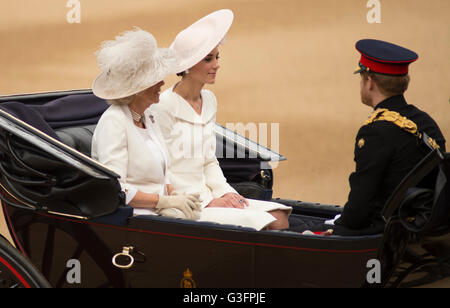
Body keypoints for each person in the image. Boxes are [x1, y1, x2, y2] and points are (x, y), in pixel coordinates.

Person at [151, 10, 292, 231]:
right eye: (208, 59)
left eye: (217, 57)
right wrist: (208, 202)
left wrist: (226, 192)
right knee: (268, 223)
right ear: (188, 65)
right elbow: (160, 170)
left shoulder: (209, 100)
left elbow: (209, 161)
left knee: (279, 216)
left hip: (209, 196)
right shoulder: (163, 105)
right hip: (182, 205)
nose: (216, 65)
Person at [290, 39, 446, 236]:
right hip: (419, 230)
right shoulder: (426, 123)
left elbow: (358, 213)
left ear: (369, 82)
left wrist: (336, 225)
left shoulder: (375, 132)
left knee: (288, 227)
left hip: (382, 235)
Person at [91, 28, 202, 219]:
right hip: (135, 217)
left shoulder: (148, 115)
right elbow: (117, 189)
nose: (161, 83)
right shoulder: (114, 122)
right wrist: (163, 201)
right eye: (153, 80)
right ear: (136, 89)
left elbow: (159, 174)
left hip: (159, 213)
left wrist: (173, 193)